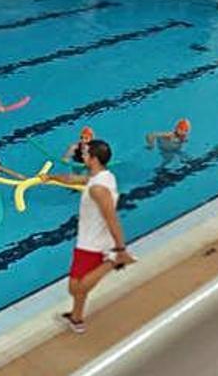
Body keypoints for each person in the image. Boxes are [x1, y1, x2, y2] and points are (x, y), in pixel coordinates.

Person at [39, 140, 135, 334]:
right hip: (89, 238)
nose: (82, 156)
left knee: (75, 287)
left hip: (92, 243)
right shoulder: (102, 177)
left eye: (85, 154)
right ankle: (77, 318)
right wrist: (50, 177)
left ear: (94, 159)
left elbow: (112, 219)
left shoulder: (98, 189)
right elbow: (74, 178)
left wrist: (120, 248)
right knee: (80, 285)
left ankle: (113, 262)